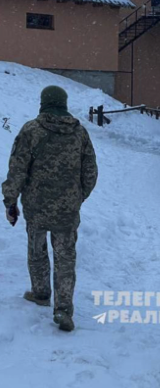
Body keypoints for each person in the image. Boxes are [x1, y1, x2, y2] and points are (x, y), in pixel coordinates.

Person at [2, 85, 98, 333]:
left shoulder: (31, 130)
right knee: (65, 258)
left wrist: (10, 200)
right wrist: (77, 198)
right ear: (64, 103)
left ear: (44, 103)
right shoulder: (79, 134)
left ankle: (41, 292)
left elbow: (18, 169)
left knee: (37, 250)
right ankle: (64, 309)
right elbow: (90, 172)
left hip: (36, 207)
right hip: (67, 210)